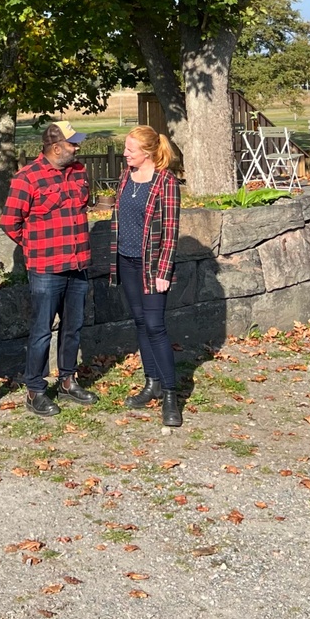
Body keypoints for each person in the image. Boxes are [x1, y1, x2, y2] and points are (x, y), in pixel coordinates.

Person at [0, 121, 99, 416]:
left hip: (78, 263)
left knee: (74, 326)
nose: (77, 147)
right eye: (73, 143)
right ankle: (35, 390)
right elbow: (9, 223)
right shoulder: (26, 178)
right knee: (42, 330)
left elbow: (83, 206)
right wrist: (34, 246)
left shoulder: (79, 171)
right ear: (56, 147)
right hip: (46, 268)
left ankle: (68, 380)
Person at [110, 125, 182, 427]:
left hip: (152, 265)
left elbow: (170, 231)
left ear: (149, 152)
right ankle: (151, 382)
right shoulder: (126, 177)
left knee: (155, 325)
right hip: (126, 260)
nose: (125, 154)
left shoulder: (166, 182)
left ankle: (170, 395)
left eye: (130, 149)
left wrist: (164, 270)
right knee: (140, 322)